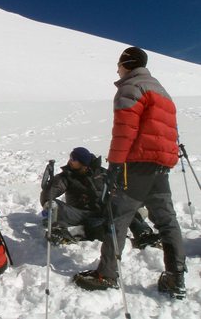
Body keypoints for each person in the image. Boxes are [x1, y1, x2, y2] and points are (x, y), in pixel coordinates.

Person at [73, 47, 186, 299]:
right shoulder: (162, 90)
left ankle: (106, 274)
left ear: (127, 64)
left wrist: (114, 165)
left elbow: (125, 131)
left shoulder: (130, 87)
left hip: (136, 165)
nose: (117, 69)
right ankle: (176, 277)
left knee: (118, 217)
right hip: (160, 166)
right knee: (167, 220)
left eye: (119, 64)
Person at [40, 147, 159, 248]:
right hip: (80, 213)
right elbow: (47, 198)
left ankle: (143, 234)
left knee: (125, 207)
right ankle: (59, 230)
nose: (70, 161)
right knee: (54, 205)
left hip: (104, 210)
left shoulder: (101, 172)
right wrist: (48, 190)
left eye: (73, 159)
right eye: (70, 158)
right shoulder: (66, 176)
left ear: (83, 163)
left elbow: (120, 187)